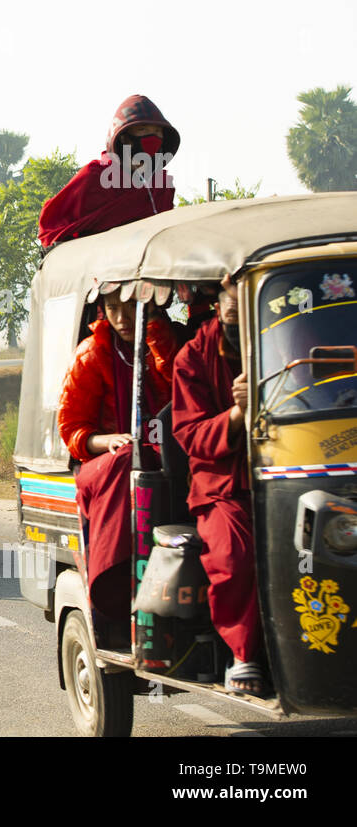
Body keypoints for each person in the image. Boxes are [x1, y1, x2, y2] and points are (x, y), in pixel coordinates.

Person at [58, 288, 179, 629]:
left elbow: (181, 390)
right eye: (113, 308)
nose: (123, 318)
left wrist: (154, 332)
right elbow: (73, 432)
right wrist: (108, 440)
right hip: (104, 462)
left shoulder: (165, 341)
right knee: (130, 459)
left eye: (131, 308)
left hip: (160, 453)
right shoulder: (92, 353)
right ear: (102, 310)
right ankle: (115, 581)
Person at [171, 275, 265, 695]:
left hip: (290, 472)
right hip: (223, 488)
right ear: (216, 295)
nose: (232, 303)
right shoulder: (192, 356)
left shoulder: (284, 340)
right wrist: (237, 416)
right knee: (235, 554)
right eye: (227, 293)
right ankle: (243, 656)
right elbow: (189, 435)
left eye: (242, 293)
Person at [38, 95, 181, 249]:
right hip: (100, 267)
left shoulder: (161, 186)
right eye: (143, 129)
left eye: (158, 132)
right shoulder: (95, 177)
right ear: (125, 138)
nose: (153, 137)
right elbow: (51, 229)